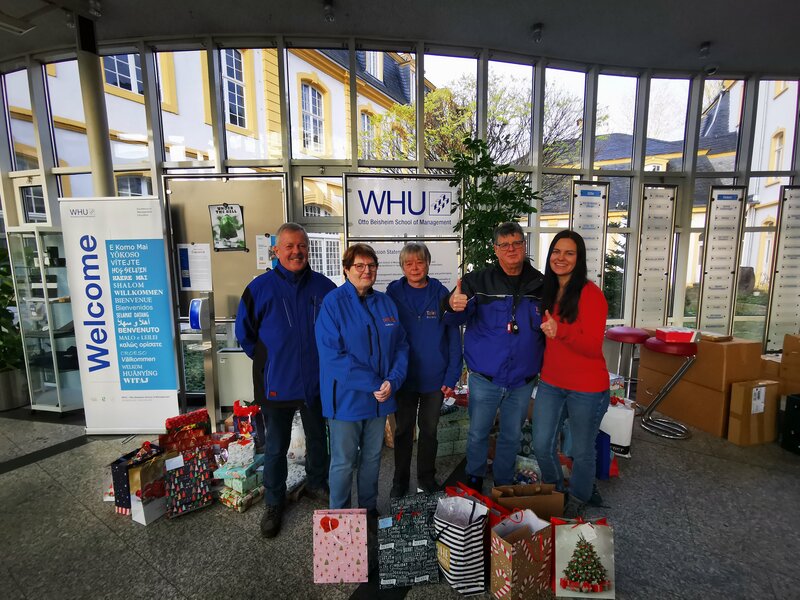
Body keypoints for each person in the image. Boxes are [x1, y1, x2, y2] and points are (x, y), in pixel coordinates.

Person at [235, 222, 336, 538]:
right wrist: (270, 362)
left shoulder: (324, 287)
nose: (296, 251)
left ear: (308, 249)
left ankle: (317, 483)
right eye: (289, 246)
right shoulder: (259, 289)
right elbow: (245, 335)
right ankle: (274, 501)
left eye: (302, 245)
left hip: (315, 382)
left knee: (318, 438)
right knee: (276, 446)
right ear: (276, 251)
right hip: (275, 383)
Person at [443, 222, 545, 491]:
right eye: (505, 245)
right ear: (495, 250)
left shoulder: (541, 284)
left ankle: (502, 482)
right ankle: (474, 477)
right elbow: (454, 318)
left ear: (524, 246)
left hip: (522, 380)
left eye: (517, 243)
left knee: (511, 435)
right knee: (477, 433)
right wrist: (452, 304)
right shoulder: (477, 281)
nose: (511, 249)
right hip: (485, 378)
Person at [315, 243, 409, 518]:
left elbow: (401, 346)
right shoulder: (333, 303)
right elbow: (333, 356)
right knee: (343, 463)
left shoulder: (385, 302)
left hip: (380, 400)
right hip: (346, 400)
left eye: (371, 266)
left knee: (372, 459)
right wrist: (375, 384)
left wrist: (393, 380)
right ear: (346, 269)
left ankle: (368, 508)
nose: (366, 271)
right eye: (359, 266)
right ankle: (340, 517)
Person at [532, 230, 610, 518]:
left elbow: (592, 346)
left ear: (579, 259)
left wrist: (560, 332)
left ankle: (579, 496)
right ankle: (555, 490)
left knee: (581, 450)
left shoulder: (591, 294)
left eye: (569, 253)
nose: (560, 258)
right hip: (552, 382)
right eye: (556, 251)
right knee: (541, 444)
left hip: (586, 387)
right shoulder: (548, 291)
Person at [386, 243, 462, 497]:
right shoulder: (392, 293)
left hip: (434, 380)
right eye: (409, 263)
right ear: (402, 267)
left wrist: (452, 376)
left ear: (428, 263)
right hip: (404, 378)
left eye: (419, 262)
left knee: (429, 431)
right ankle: (399, 480)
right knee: (403, 431)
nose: (415, 267)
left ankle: (426, 478)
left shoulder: (442, 295)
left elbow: (454, 339)